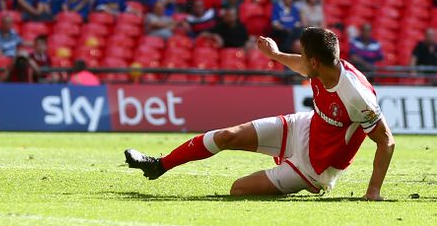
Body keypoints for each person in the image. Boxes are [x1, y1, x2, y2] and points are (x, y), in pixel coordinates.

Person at [125, 29, 394, 200]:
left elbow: (386, 141)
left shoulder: (357, 95)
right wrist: (275, 55)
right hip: (305, 127)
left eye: (304, 55)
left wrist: (373, 191)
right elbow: (299, 64)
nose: (300, 59)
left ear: (315, 61)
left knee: (238, 189)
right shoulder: (321, 67)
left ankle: (297, 181)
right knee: (227, 136)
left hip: (314, 168)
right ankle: (158, 165)